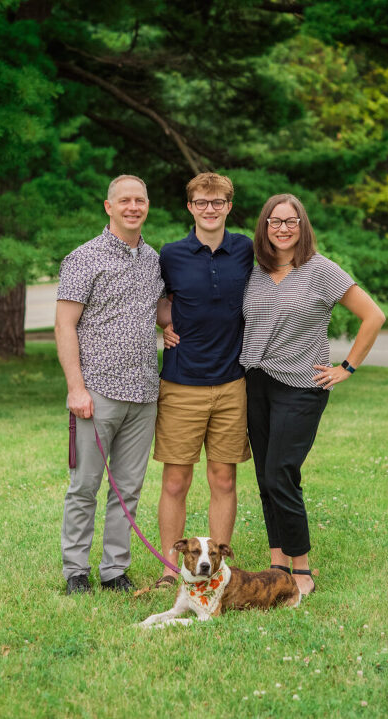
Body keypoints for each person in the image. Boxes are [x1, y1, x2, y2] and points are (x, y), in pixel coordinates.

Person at [240, 193, 385, 596]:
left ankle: (301, 568)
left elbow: (373, 315)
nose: (283, 228)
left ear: (302, 226)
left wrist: (347, 367)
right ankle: (277, 563)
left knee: (281, 473)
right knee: (265, 477)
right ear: (264, 227)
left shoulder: (320, 270)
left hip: (301, 386)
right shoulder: (253, 272)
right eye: (275, 221)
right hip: (255, 383)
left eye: (291, 221)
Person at [55, 174, 171, 595]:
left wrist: (172, 325)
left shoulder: (153, 260)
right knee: (84, 487)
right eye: (124, 200)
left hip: (144, 393)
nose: (133, 207)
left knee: (128, 490)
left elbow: (157, 311)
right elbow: (64, 326)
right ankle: (75, 571)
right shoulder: (83, 258)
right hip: (97, 391)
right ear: (109, 207)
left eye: (140, 200)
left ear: (147, 206)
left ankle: (114, 570)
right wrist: (76, 388)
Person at [153, 172, 254, 588]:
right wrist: (165, 324)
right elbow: (156, 300)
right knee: (176, 480)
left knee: (224, 479)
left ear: (229, 206)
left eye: (217, 202)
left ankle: (219, 571)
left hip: (232, 383)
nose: (209, 209)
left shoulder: (245, 249)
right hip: (181, 383)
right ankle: (169, 569)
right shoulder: (171, 254)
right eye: (201, 202)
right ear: (190, 207)